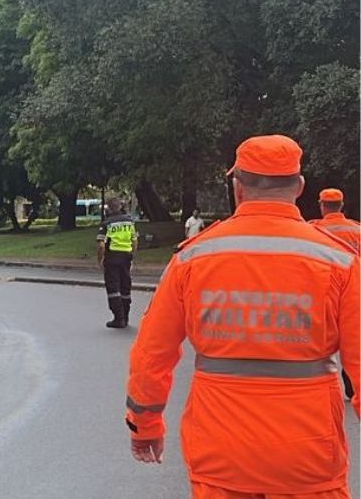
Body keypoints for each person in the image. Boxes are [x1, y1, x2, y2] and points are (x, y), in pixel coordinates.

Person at [125, 134, 359, 498]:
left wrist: (145, 425)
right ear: (298, 187)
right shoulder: (338, 260)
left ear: (237, 187)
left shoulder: (193, 258)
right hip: (308, 450)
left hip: (220, 447)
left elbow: (152, 352)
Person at [310, 187, 360, 401]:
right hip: (355, 288)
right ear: (341, 205)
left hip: (323, 290)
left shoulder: (313, 230)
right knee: (355, 339)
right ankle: (352, 385)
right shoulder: (357, 230)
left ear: (322, 206)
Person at [97, 197, 138, 328]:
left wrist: (100, 260)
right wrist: (132, 256)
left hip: (112, 257)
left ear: (108, 208)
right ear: (121, 207)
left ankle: (118, 318)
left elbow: (102, 245)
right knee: (125, 286)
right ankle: (125, 317)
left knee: (113, 288)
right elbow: (135, 241)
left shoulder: (107, 223)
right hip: (126, 256)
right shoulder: (129, 222)